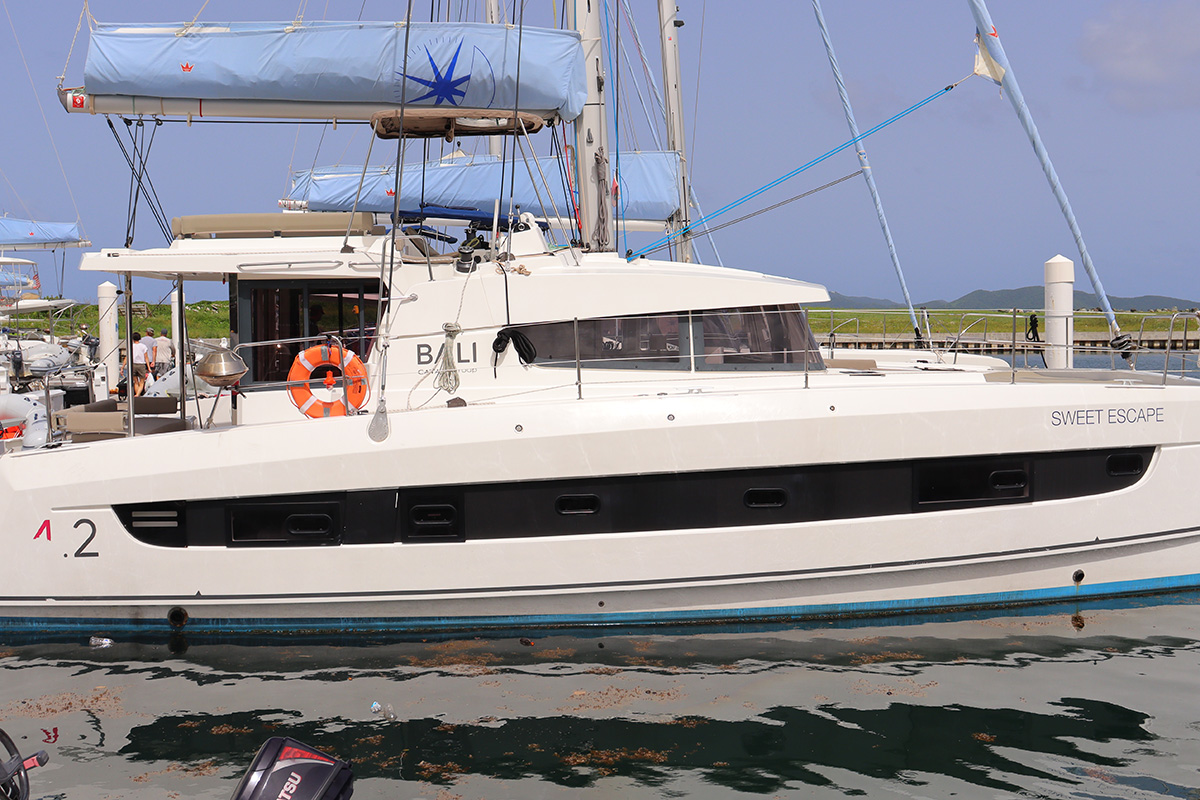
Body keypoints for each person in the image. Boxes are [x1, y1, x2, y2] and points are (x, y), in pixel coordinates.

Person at [126, 331, 150, 396]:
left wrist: (123, 366)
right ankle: (137, 395)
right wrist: (148, 367)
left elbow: (127, 357)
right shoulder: (143, 346)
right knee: (142, 382)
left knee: (135, 382)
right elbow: (146, 357)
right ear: (140, 338)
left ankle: (137, 394)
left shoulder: (131, 346)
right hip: (141, 365)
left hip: (133, 365)